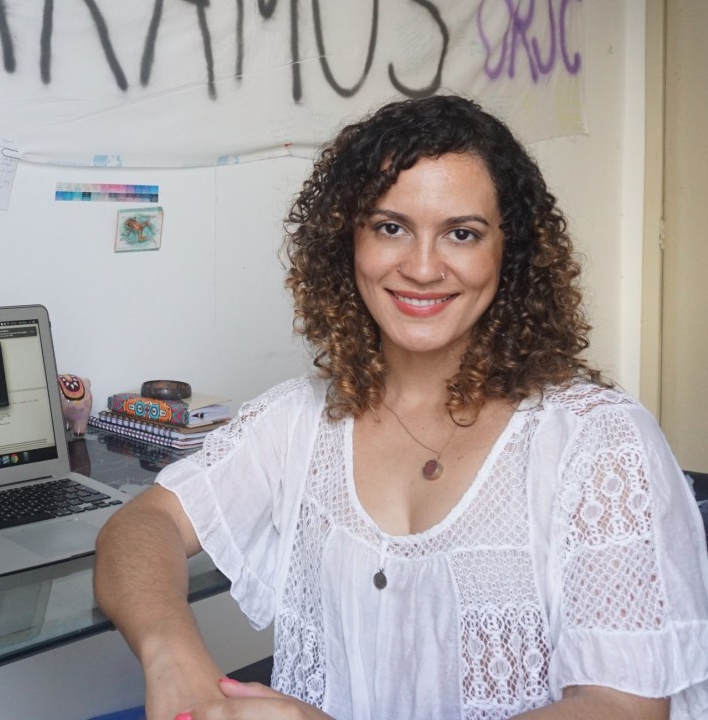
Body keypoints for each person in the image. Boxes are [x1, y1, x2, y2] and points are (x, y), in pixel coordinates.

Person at [93, 95, 708, 720]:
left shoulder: (599, 441)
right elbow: (144, 525)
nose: (420, 267)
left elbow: (621, 706)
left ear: (509, 253)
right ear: (347, 241)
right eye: (391, 227)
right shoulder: (298, 419)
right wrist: (175, 661)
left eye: (461, 234)